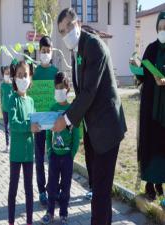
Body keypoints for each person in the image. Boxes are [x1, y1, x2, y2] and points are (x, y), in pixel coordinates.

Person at [53, 8, 127, 225]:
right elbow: (81, 93)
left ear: (78, 22)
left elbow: (88, 92)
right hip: (94, 131)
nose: (66, 32)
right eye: (62, 30)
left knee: (100, 194)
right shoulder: (77, 50)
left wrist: (65, 120)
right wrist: (67, 116)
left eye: (68, 26)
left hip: (107, 130)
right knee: (100, 190)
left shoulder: (93, 46)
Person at [133, 12, 165, 201]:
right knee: (150, 144)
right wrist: (135, 68)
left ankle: (161, 182)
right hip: (150, 109)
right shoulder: (151, 50)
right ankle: (150, 184)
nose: (162, 31)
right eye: (160, 28)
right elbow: (142, 75)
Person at [41, 72, 80, 225]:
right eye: (57, 88)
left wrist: (72, 153)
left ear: (67, 89)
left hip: (67, 157)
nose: (59, 90)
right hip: (54, 157)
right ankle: (50, 213)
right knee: (52, 186)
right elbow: (47, 133)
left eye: (62, 88)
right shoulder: (52, 108)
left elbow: (76, 134)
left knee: (66, 186)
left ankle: (63, 213)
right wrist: (49, 151)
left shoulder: (72, 109)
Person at [8, 60, 40, 225]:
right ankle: (11, 221)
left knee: (29, 190)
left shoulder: (31, 101)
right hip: (16, 153)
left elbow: (35, 123)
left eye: (25, 75)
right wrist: (30, 126)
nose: (22, 78)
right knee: (13, 189)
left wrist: (41, 126)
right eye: (19, 75)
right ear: (14, 78)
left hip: (29, 153)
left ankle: (29, 221)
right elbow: (13, 124)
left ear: (30, 78)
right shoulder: (12, 99)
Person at [33, 35, 58, 206]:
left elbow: (60, 95)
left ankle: (53, 189)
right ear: (39, 51)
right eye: (43, 51)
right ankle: (42, 191)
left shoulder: (56, 72)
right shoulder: (35, 73)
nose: (46, 53)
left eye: (48, 51)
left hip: (54, 123)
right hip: (39, 123)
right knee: (40, 157)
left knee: (55, 157)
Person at [0, 65, 13, 152]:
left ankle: (13, 144)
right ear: (3, 74)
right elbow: (1, 96)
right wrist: (1, 106)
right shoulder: (2, 85)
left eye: (8, 73)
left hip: (11, 109)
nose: (7, 75)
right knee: (6, 127)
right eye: (6, 73)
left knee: (12, 127)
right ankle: (7, 145)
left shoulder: (12, 84)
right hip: (4, 109)